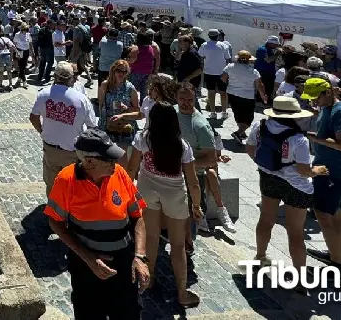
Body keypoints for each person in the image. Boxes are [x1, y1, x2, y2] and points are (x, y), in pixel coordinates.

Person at [45, 130, 150, 320]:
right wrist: (89, 258)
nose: (115, 164)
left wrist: (140, 257)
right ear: (90, 162)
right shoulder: (66, 180)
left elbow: (138, 217)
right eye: (109, 159)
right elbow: (55, 221)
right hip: (85, 268)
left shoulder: (119, 174)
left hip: (124, 266)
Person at [125, 103, 202, 308]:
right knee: (177, 246)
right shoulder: (182, 145)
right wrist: (196, 206)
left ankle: (148, 281)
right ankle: (182, 293)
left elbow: (132, 166)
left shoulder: (144, 138)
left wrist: (126, 191)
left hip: (147, 189)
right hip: (175, 194)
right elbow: (193, 181)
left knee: (151, 237)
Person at [245, 96, 325, 278]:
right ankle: (299, 278)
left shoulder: (260, 126)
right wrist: (318, 170)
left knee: (265, 220)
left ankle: (260, 256)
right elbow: (304, 171)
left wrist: (268, 165)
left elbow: (250, 150)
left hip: (268, 178)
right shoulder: (299, 138)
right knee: (295, 232)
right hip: (296, 186)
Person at [300, 77, 341, 268]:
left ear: (328, 92)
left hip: (335, 171)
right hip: (330, 168)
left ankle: (336, 263)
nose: (313, 102)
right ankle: (338, 253)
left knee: (322, 213)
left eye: (316, 98)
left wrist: (313, 138)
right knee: (336, 212)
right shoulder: (327, 109)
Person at [176, 83, 235, 238]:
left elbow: (211, 159)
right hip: (174, 172)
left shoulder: (201, 125)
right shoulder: (173, 112)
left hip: (194, 174)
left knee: (191, 220)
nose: (185, 103)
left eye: (189, 99)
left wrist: (186, 165)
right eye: (182, 99)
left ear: (195, 98)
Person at [29, 62, 98, 196]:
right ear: (72, 78)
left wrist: (41, 131)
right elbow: (92, 127)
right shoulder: (81, 99)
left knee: (52, 184)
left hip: (50, 149)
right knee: (71, 185)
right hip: (72, 151)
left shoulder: (44, 94)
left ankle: (53, 213)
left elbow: (33, 117)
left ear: (55, 76)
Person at [222, 50, 267, 142]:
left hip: (232, 94)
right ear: (248, 60)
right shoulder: (253, 71)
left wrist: (231, 85)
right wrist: (263, 96)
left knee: (238, 115)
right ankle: (238, 133)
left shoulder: (230, 67)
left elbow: (223, 78)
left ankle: (241, 133)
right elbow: (259, 85)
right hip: (247, 97)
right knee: (248, 119)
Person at [97, 60, 141, 152]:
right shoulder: (105, 85)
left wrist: (127, 108)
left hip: (124, 127)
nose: (121, 74)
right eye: (119, 71)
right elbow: (101, 105)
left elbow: (137, 111)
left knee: (121, 155)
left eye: (124, 71)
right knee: (106, 154)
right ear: (113, 70)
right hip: (107, 125)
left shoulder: (130, 88)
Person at [199, 29, 232, 118]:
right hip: (222, 73)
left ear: (209, 36)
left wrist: (203, 67)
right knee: (223, 92)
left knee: (211, 92)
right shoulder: (224, 46)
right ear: (217, 36)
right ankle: (224, 112)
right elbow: (228, 59)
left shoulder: (204, 45)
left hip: (209, 72)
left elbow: (201, 58)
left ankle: (213, 112)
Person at [126, 31, 158, 99]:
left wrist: (127, 58)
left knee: (132, 90)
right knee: (144, 92)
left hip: (137, 72)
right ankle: (143, 106)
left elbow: (131, 60)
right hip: (148, 72)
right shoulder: (150, 48)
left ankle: (131, 105)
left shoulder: (136, 49)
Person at [254, 36, 280, 105]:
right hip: (263, 72)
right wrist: (277, 54)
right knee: (264, 87)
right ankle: (261, 101)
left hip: (269, 72)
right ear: (270, 43)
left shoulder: (269, 49)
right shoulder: (262, 49)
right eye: (276, 44)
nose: (276, 46)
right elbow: (268, 60)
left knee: (269, 87)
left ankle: (264, 101)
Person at [13, 22, 32, 88]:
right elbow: (14, 44)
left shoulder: (28, 34)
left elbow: (30, 43)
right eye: (25, 29)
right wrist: (15, 52)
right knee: (22, 67)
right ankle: (24, 81)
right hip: (19, 51)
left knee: (23, 66)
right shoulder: (17, 35)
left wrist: (32, 52)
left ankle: (19, 78)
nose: (26, 31)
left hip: (26, 51)